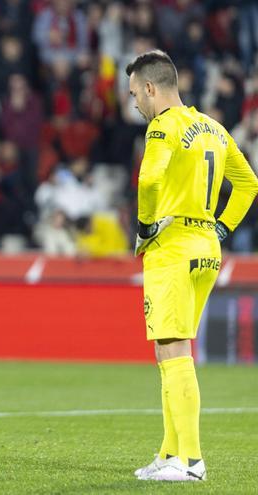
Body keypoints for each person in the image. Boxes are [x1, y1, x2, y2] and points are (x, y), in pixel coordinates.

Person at [126, 50, 258, 482]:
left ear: (150, 88)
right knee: (170, 347)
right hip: (206, 246)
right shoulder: (214, 128)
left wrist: (145, 226)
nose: (135, 105)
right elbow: (248, 183)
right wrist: (223, 227)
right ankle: (170, 453)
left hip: (174, 245)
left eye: (134, 95)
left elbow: (148, 179)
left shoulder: (163, 127)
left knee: (174, 349)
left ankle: (192, 462)